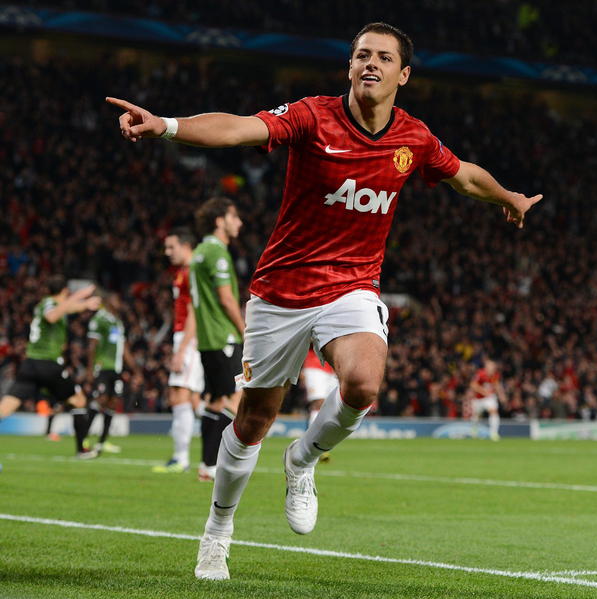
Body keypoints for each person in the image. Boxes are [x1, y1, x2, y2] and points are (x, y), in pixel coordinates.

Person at [107, 21, 541, 580]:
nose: (371, 64)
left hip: (352, 286)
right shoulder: (313, 116)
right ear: (349, 65)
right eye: (362, 55)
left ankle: (302, 459)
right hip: (281, 291)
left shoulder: (413, 138)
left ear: (404, 75)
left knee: (363, 383)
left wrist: (509, 197)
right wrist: (166, 125)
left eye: (384, 57)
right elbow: (238, 128)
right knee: (252, 421)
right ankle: (217, 532)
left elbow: (464, 177)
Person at [0, 275, 101, 458]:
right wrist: (78, 296)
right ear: (65, 291)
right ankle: (82, 450)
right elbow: (53, 315)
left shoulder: (51, 304)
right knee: (79, 401)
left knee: (5, 408)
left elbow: (66, 309)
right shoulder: (49, 303)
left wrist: (85, 305)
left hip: (30, 365)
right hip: (47, 364)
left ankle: (82, 449)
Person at [189, 198, 245, 482]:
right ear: (219, 221)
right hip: (224, 336)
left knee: (215, 400)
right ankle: (214, 464)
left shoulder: (199, 251)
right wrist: (244, 330)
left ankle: (206, 464)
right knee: (237, 397)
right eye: (234, 217)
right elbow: (226, 298)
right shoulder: (216, 252)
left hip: (208, 338)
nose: (239, 223)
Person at [153, 228, 205, 474]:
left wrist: (182, 349)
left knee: (179, 395)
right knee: (193, 399)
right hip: (186, 336)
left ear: (186, 246)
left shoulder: (192, 270)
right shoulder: (183, 272)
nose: (167, 252)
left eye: (171, 247)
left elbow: (195, 310)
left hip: (189, 338)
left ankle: (181, 458)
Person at [85, 291, 135, 454]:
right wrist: (90, 369)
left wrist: (135, 370)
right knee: (100, 399)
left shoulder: (117, 322)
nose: (119, 302)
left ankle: (102, 442)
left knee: (112, 403)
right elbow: (92, 345)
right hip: (102, 367)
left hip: (116, 368)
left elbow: (124, 348)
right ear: (108, 301)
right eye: (116, 298)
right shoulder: (99, 319)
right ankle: (84, 437)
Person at [300, 348, 339, 462]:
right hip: (314, 365)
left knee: (331, 407)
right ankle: (315, 446)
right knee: (318, 404)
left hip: (333, 368)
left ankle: (321, 444)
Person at [467, 359, 505, 441]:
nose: (493, 368)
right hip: (478, 399)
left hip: (489, 398)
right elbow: (472, 384)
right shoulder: (480, 374)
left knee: (494, 412)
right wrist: (483, 391)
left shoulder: (495, 375)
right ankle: (474, 429)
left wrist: (501, 395)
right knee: (475, 416)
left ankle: (494, 433)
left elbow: (496, 385)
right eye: (491, 366)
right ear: (486, 367)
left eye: (493, 366)